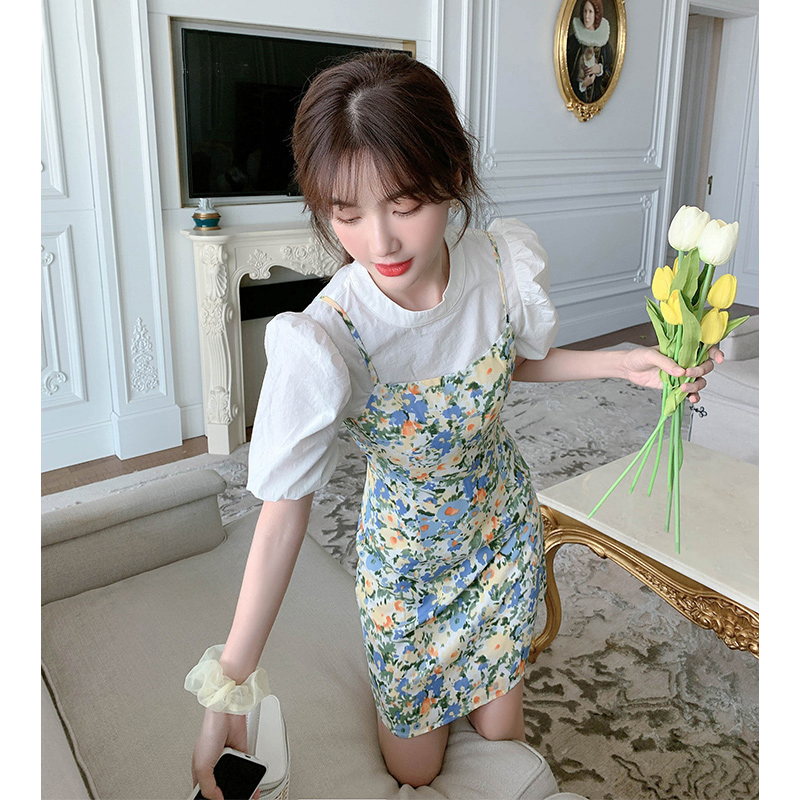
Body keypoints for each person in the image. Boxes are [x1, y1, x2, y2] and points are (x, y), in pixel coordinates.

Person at [187, 50, 722, 797]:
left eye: (404, 204)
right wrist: (231, 685)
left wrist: (620, 362)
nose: (380, 242)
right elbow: (280, 519)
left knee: (503, 742)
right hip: (406, 570)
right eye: (348, 215)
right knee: (418, 770)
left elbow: (506, 366)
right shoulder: (329, 335)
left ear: (452, 175)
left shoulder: (499, 267)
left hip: (499, 532)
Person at [567, 0, 615, 103]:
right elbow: (567, 73)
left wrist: (600, 69)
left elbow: (611, 73)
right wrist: (583, 85)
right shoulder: (573, 42)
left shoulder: (604, 46)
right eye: (585, 11)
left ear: (597, 14)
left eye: (590, 12)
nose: (587, 16)